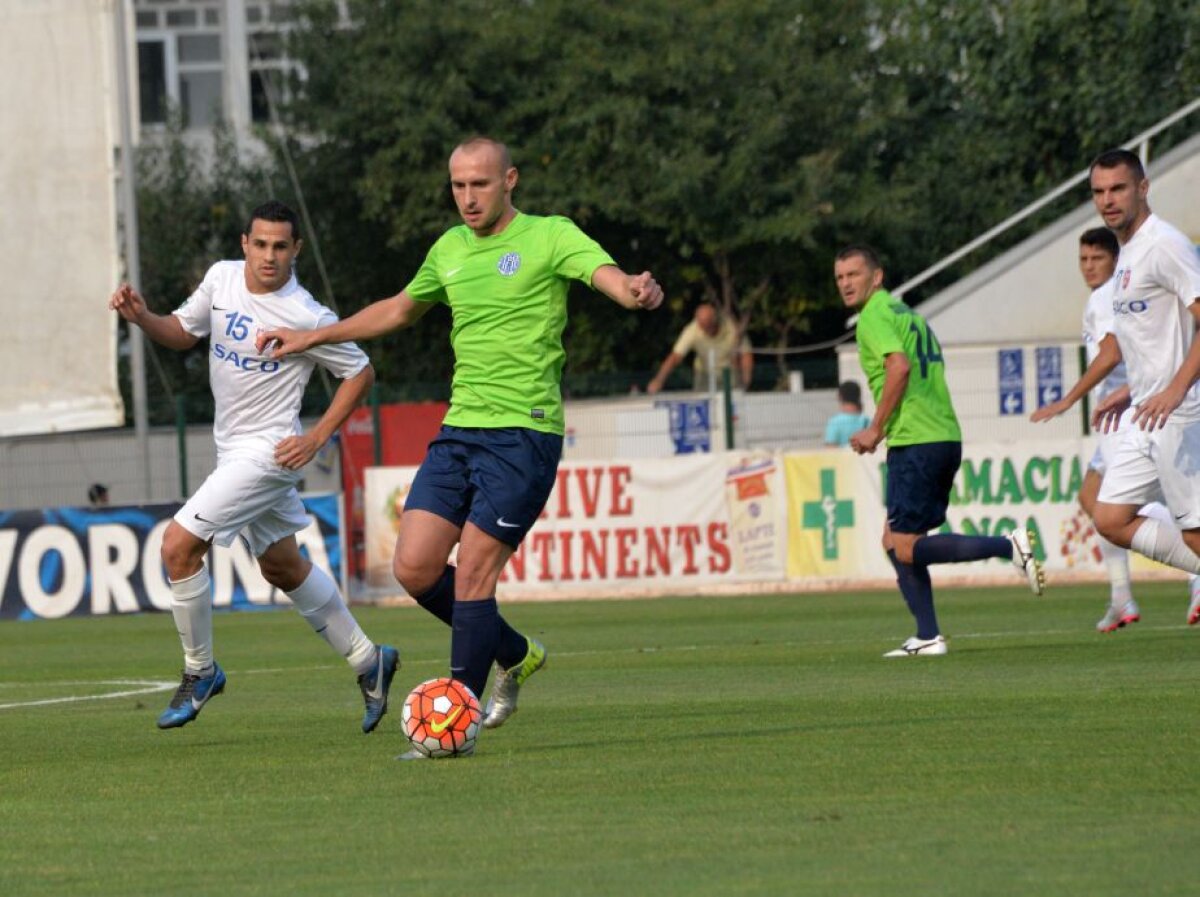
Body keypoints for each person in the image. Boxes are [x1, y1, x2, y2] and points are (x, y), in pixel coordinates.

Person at [257, 137, 663, 755]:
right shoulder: (448, 249)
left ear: (511, 181)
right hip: (460, 431)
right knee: (414, 568)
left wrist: (632, 289)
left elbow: (606, 277)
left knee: (473, 571)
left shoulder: (551, 236)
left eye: (480, 184)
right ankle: (515, 653)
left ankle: (454, 725)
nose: (468, 197)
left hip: (523, 435)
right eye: (458, 186)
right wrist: (311, 336)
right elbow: (398, 310)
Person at [109, 200, 399, 732]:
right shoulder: (221, 279)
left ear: (296, 250)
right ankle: (369, 660)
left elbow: (361, 373)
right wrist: (142, 317)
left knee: (178, 546)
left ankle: (201, 672)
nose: (269, 256)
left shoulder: (308, 314)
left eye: (280, 246)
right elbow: (182, 332)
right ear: (245, 243)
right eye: (260, 244)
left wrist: (316, 438)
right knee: (282, 567)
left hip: (271, 452)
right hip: (232, 448)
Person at [835, 244, 1043, 658]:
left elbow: (899, 367)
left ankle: (1009, 547)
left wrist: (875, 427)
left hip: (916, 440)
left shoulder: (874, 316)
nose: (845, 283)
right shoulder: (908, 315)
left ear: (877, 277)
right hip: (943, 434)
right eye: (840, 277)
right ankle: (928, 634)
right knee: (894, 540)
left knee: (906, 546)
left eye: (854, 274)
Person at [1031, 226, 1200, 631]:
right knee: (1099, 504)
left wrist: (1070, 399)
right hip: (1131, 403)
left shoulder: (1127, 278)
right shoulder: (1117, 286)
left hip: (1147, 413)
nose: (1089, 267)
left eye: (1097, 259)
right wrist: (1128, 389)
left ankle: (1184, 582)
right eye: (1083, 260)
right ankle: (1122, 596)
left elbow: (1112, 351)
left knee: (1177, 518)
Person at [1083, 149, 1200, 625]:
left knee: (1194, 532)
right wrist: (1133, 388)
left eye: (1118, 188)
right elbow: (1155, 337)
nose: (1108, 200)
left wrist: (1175, 389)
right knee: (1108, 517)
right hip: (1145, 414)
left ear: (1143, 187)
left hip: (1181, 413)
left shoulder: (1165, 244)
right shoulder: (1128, 253)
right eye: (1098, 192)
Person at [646, 301, 752, 393]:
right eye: (702, 326)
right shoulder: (693, 330)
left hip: (730, 380)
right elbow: (675, 357)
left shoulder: (731, 327)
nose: (704, 329)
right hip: (704, 379)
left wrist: (746, 380)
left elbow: (746, 354)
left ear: (714, 320)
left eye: (707, 325)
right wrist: (659, 380)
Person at [823, 381, 871, 447]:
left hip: (841, 457)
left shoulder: (835, 422)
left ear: (840, 397)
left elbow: (830, 448)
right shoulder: (867, 421)